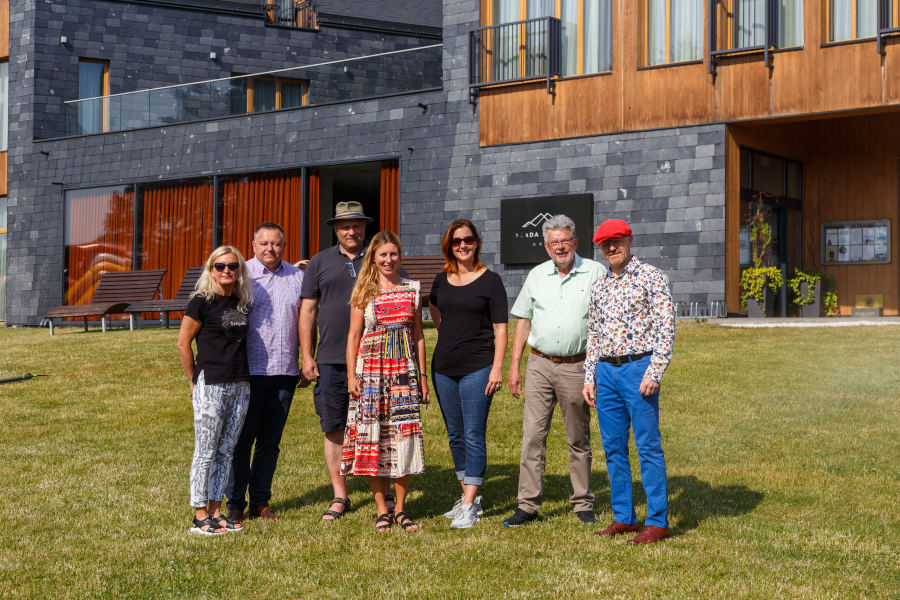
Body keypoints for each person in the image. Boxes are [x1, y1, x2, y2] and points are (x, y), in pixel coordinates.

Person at [503, 215, 606, 527]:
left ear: (575, 242)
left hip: (577, 366)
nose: (560, 247)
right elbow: (523, 320)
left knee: (578, 437)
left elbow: (606, 321)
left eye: (566, 241)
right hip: (540, 366)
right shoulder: (536, 275)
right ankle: (528, 505)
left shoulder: (595, 272)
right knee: (533, 437)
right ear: (546, 246)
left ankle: (583, 503)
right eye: (554, 243)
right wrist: (515, 366)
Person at [300, 201, 401, 521]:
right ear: (335, 229)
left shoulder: (379, 258)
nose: (351, 231)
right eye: (345, 226)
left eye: (356, 225)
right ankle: (340, 495)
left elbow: (403, 299)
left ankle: (383, 491)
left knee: (381, 427)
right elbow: (308, 310)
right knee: (333, 427)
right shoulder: (319, 262)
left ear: (364, 227)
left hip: (376, 361)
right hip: (331, 359)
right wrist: (307, 353)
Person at [581, 219, 675, 544]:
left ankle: (658, 521)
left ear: (629, 239)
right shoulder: (599, 286)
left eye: (616, 241)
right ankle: (624, 517)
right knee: (613, 448)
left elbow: (666, 326)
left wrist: (655, 370)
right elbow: (593, 333)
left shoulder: (651, 277)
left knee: (648, 446)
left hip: (639, 369)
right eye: (605, 244)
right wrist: (589, 376)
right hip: (606, 373)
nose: (611, 248)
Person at [341, 231, 428, 532]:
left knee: (404, 437)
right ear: (373, 258)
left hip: (403, 372)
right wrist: (351, 374)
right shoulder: (364, 290)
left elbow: (418, 335)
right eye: (383, 255)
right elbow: (353, 337)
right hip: (371, 373)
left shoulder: (412, 289)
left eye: (393, 254)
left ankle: (401, 509)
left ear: (399, 256)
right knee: (372, 438)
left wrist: (423, 377)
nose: (389, 260)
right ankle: (382, 509)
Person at [226, 222, 307, 524]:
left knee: (270, 443)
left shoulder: (297, 277)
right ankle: (235, 502)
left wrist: (306, 359)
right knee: (241, 441)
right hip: (248, 371)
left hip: (285, 371)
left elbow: (307, 319)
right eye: (264, 243)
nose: (270, 249)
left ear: (284, 246)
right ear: (253, 245)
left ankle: (260, 501)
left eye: (276, 244)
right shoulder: (240, 275)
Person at [429, 219, 507, 529]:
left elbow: (501, 328)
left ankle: (469, 503)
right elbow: (435, 308)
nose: (463, 245)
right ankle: (468, 499)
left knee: (474, 434)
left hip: (478, 366)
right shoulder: (440, 279)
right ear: (449, 245)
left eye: (468, 239)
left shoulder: (491, 281)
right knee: (455, 434)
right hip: (443, 368)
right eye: (457, 241)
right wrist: (446, 331)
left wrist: (497, 367)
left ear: (477, 243)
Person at [177, 246, 253, 535]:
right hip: (211, 384)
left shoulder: (241, 301)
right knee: (205, 451)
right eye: (220, 266)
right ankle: (198, 515)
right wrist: (193, 381)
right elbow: (183, 344)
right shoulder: (201, 301)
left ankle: (216, 510)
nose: (226, 271)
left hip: (240, 384)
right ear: (211, 270)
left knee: (226, 450)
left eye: (232, 266)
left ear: (239, 271)